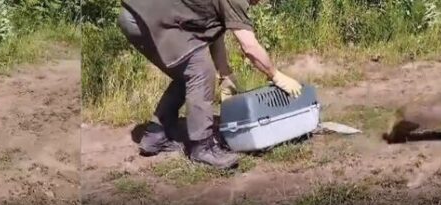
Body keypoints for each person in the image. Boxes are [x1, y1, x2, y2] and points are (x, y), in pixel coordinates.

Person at [117, 0, 303, 170]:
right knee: (200, 71)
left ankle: (155, 135)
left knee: (189, 74)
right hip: (144, 19)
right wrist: (276, 75)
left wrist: (225, 74)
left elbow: (214, 34)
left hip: (137, 15)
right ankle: (202, 147)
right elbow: (250, 47)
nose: (260, 3)